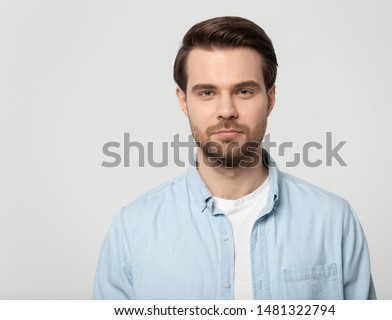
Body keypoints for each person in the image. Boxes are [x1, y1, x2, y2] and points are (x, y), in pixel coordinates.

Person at [94, 16, 376, 300]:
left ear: (271, 98)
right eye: (207, 92)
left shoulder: (333, 220)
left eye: (243, 91)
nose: (226, 110)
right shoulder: (131, 229)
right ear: (183, 101)